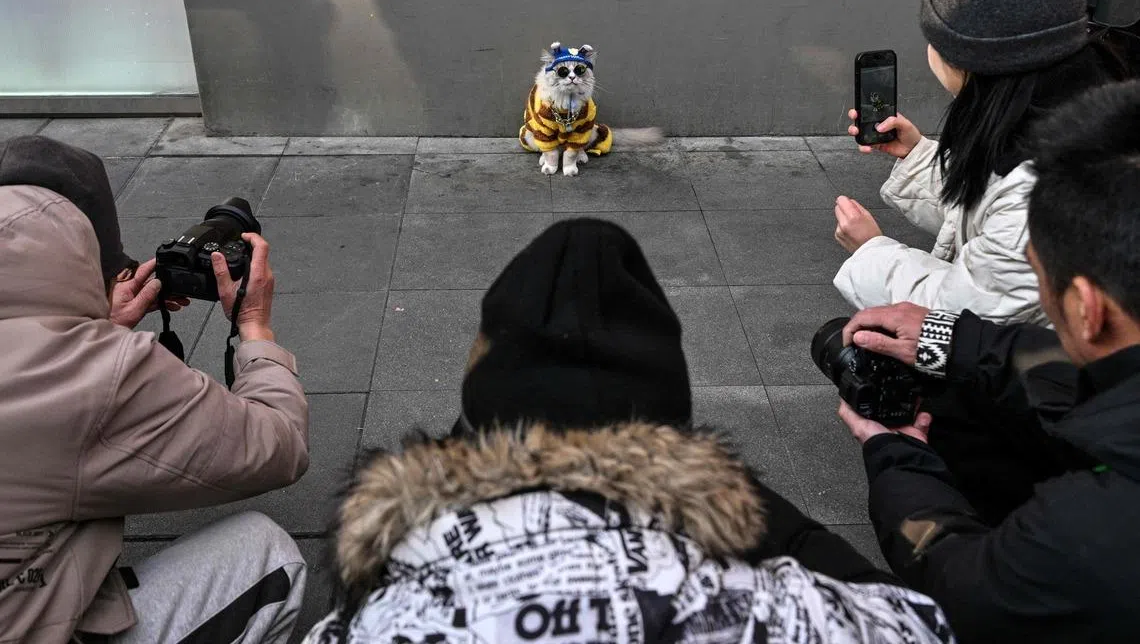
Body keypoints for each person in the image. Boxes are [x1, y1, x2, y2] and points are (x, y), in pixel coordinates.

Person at [304, 219, 955, 644]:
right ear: (668, 429)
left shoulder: (374, 622)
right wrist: (743, 504)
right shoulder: (773, 608)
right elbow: (917, 628)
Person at [835, 80, 1140, 642]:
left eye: (1038, 279)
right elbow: (1058, 370)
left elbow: (957, 579)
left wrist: (898, 456)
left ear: (1087, 309)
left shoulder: (1084, 527)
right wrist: (948, 340)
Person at [0, 135, 310, 644]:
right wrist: (254, 326)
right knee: (268, 552)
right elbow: (278, 445)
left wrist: (105, 324)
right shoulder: (97, 375)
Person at [832, 0, 1128, 326]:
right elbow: (989, 215)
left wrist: (872, 251)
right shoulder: (1054, 118)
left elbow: (965, 314)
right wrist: (917, 158)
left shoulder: (1047, 187)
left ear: (976, 64)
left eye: (938, 42)